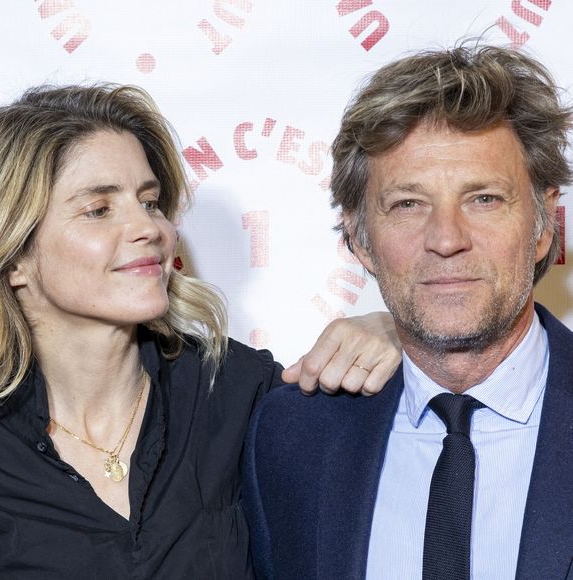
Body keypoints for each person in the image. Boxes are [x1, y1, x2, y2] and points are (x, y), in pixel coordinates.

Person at [0, 83, 401, 578]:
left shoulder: (238, 392)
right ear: (15, 256)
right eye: (99, 209)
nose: (151, 229)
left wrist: (397, 330)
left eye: (149, 202)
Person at [243, 44, 573, 580]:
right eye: (408, 204)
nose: (446, 239)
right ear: (360, 240)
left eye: (483, 199)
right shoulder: (293, 438)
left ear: (542, 227)